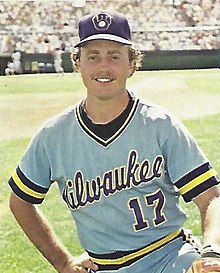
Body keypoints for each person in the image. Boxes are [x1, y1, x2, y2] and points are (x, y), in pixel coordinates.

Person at [8, 10, 220, 273]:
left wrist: (212, 251)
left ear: (132, 64)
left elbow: (210, 198)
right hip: (104, 267)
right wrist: (62, 262)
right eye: (93, 57)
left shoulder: (160, 124)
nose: (103, 67)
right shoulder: (53, 136)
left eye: (114, 56)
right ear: (78, 64)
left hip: (170, 257)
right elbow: (20, 200)